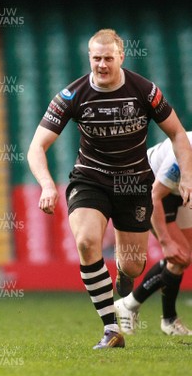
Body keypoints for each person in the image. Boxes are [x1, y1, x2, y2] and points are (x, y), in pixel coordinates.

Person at [27, 28, 192, 349]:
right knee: (87, 242)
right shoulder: (72, 96)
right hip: (91, 179)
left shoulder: (144, 91)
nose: (101, 65)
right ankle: (110, 329)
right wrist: (47, 184)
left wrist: (186, 175)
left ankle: (124, 277)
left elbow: (178, 135)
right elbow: (36, 146)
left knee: (132, 265)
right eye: (96, 58)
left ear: (121, 57)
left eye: (108, 58)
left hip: (134, 183)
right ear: (90, 57)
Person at [115, 132, 192, 336]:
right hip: (149, 186)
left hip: (177, 191)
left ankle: (129, 304)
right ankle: (167, 320)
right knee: (179, 254)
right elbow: (155, 196)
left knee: (184, 256)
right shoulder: (183, 154)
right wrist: (166, 242)